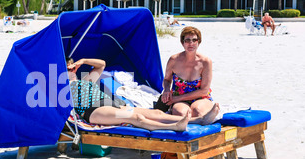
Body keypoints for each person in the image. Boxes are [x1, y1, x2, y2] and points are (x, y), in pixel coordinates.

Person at [67, 57, 219, 132]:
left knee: (157, 112)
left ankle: (199, 119)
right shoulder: (62, 87)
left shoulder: (86, 80)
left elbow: (101, 64)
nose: (72, 70)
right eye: (68, 68)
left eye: (73, 68)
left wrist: (84, 61)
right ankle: (175, 126)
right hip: (94, 111)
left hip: (111, 104)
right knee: (136, 118)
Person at [161, 26, 220, 159]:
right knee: (182, 113)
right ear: (182, 43)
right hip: (179, 97)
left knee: (197, 111)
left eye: (194, 40)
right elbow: (167, 79)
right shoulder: (174, 59)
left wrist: (174, 99)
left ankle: (200, 155)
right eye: (187, 40)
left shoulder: (205, 61)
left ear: (199, 42)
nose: (191, 43)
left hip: (200, 97)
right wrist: (166, 90)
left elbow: (204, 90)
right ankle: (183, 153)